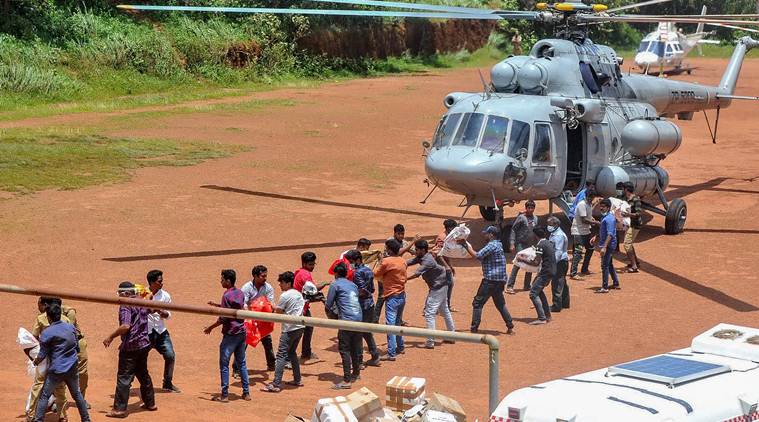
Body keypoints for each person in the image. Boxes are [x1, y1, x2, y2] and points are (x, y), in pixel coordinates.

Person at [29, 297, 88, 422]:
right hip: (72, 368)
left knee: (44, 395)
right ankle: (86, 419)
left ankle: (38, 420)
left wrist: (35, 361)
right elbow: (76, 347)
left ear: (48, 318)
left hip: (56, 370)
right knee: (77, 395)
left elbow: (42, 354)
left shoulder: (47, 333)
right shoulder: (71, 327)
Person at [103, 281, 156, 418]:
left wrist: (110, 336)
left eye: (120, 294)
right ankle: (150, 403)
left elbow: (125, 326)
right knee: (143, 374)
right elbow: (152, 308)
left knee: (124, 378)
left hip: (131, 347)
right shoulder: (141, 301)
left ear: (125, 293)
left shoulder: (125, 305)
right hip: (144, 345)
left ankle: (119, 409)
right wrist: (149, 296)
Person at [203, 269, 250, 402]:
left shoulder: (226, 296)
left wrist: (210, 328)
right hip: (242, 333)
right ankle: (246, 393)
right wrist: (217, 305)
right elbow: (234, 308)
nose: (221, 281)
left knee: (224, 364)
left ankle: (224, 395)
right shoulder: (239, 293)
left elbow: (223, 318)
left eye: (222, 279)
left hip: (230, 335)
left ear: (228, 281)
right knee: (242, 363)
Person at [462, 226, 515, 335]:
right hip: (500, 280)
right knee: (500, 304)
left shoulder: (491, 245)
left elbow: (477, 256)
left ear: (491, 235)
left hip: (490, 280)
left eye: (486, 233)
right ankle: (510, 326)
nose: (484, 235)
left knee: (477, 303)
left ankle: (474, 328)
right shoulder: (498, 244)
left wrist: (465, 245)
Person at [261, 271, 306, 393]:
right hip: (300, 327)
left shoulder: (285, 296)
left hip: (289, 329)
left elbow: (279, 312)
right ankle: (297, 379)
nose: (280, 285)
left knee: (281, 355)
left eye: (281, 282)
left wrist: (271, 306)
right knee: (292, 353)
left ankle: (275, 383)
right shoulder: (298, 294)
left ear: (288, 283)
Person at [407, 239, 455, 349]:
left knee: (429, 313)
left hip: (438, 287)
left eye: (417, 249)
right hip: (443, 284)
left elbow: (416, 274)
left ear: (423, 250)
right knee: (444, 310)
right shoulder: (421, 256)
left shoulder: (428, 261)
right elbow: (410, 262)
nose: (415, 251)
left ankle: (430, 341)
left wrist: (404, 279)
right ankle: (452, 335)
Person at [325, 262, 364, 389]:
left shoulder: (335, 285)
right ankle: (356, 373)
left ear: (336, 274)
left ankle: (347, 380)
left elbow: (328, 305)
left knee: (344, 350)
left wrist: (331, 318)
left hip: (346, 321)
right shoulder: (352, 285)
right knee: (354, 348)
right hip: (359, 320)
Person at [344, 249, 381, 367]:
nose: (350, 263)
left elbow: (362, 291)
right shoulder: (368, 270)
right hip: (370, 304)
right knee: (366, 331)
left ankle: (359, 361)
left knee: (358, 333)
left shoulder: (357, 273)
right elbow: (372, 289)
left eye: (351, 261)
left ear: (358, 260)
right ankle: (374, 355)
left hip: (361, 306)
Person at [146, 269, 181, 393]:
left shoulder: (165, 296)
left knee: (170, 356)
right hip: (146, 332)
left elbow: (169, 314)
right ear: (151, 282)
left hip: (161, 331)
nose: (162, 284)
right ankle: (132, 383)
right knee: (138, 358)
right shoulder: (143, 294)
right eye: (159, 281)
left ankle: (167, 383)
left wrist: (161, 312)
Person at [374, 238, 408, 361]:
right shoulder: (403, 261)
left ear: (388, 249)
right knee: (397, 322)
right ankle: (401, 346)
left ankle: (391, 353)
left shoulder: (386, 262)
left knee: (390, 325)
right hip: (402, 295)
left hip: (392, 297)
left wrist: (380, 261)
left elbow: (375, 274)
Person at [239, 265, 276, 371]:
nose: (265, 278)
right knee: (244, 344)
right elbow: (243, 304)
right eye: (262, 276)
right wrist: (251, 315)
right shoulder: (247, 287)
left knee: (267, 342)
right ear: (255, 276)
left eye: (266, 276)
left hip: (262, 320)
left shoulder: (268, 287)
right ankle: (237, 368)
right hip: (249, 320)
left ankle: (272, 365)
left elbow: (270, 303)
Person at [517, 227, 556, 325]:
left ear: (535, 235)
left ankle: (542, 318)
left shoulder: (540, 245)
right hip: (550, 271)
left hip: (545, 272)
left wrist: (522, 259)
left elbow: (535, 262)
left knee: (533, 293)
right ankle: (547, 315)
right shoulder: (548, 243)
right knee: (539, 291)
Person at [293, 252, 324, 362]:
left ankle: (306, 352)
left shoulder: (300, 272)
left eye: (313, 264)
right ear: (304, 263)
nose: (312, 267)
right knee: (296, 332)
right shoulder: (305, 275)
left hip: (302, 305)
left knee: (309, 327)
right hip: (299, 307)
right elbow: (313, 291)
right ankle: (287, 357)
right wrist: (325, 283)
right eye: (310, 264)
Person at [507, 200, 539, 293]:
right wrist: (512, 243)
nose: (530, 210)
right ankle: (510, 286)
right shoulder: (521, 218)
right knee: (517, 263)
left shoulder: (536, 218)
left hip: (531, 245)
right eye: (529, 208)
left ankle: (526, 285)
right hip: (520, 244)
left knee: (530, 263)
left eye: (532, 208)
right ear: (526, 208)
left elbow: (536, 232)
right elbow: (513, 230)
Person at [570, 190, 598, 279]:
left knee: (590, 248)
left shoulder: (589, 204)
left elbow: (588, 216)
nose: (591, 199)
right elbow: (584, 220)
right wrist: (597, 223)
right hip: (578, 232)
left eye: (592, 198)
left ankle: (584, 269)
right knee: (578, 251)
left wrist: (592, 219)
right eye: (589, 197)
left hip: (586, 231)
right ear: (586, 196)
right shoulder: (582, 204)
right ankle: (573, 273)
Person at [596, 199, 621, 293]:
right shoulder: (605, 217)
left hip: (609, 245)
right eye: (601, 206)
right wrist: (596, 236)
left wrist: (604, 247)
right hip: (608, 244)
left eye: (603, 206)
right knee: (609, 264)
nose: (601, 208)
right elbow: (604, 230)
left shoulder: (609, 219)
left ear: (608, 207)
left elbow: (610, 234)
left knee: (604, 266)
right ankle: (616, 283)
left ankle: (605, 287)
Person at [434, 219, 459, 312]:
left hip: (445, 264)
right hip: (439, 265)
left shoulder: (449, 236)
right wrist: (447, 266)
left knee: (449, 284)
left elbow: (447, 254)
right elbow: (438, 253)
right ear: (449, 228)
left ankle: (445, 306)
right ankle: (440, 307)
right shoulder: (442, 237)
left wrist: (450, 266)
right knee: (442, 286)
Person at [547, 217, 570, 312]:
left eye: (550, 224)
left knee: (556, 283)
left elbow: (558, 251)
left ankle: (557, 305)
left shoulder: (558, 235)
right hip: (561, 261)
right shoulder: (555, 233)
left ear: (556, 225)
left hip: (559, 261)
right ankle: (565, 303)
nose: (548, 226)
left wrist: (552, 264)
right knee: (562, 282)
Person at [622, 182, 642, 273]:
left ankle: (634, 266)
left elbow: (638, 214)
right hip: (630, 224)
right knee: (629, 243)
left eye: (623, 188)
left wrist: (628, 214)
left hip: (635, 225)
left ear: (626, 189)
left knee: (627, 244)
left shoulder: (635, 199)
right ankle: (636, 262)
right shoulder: (626, 198)